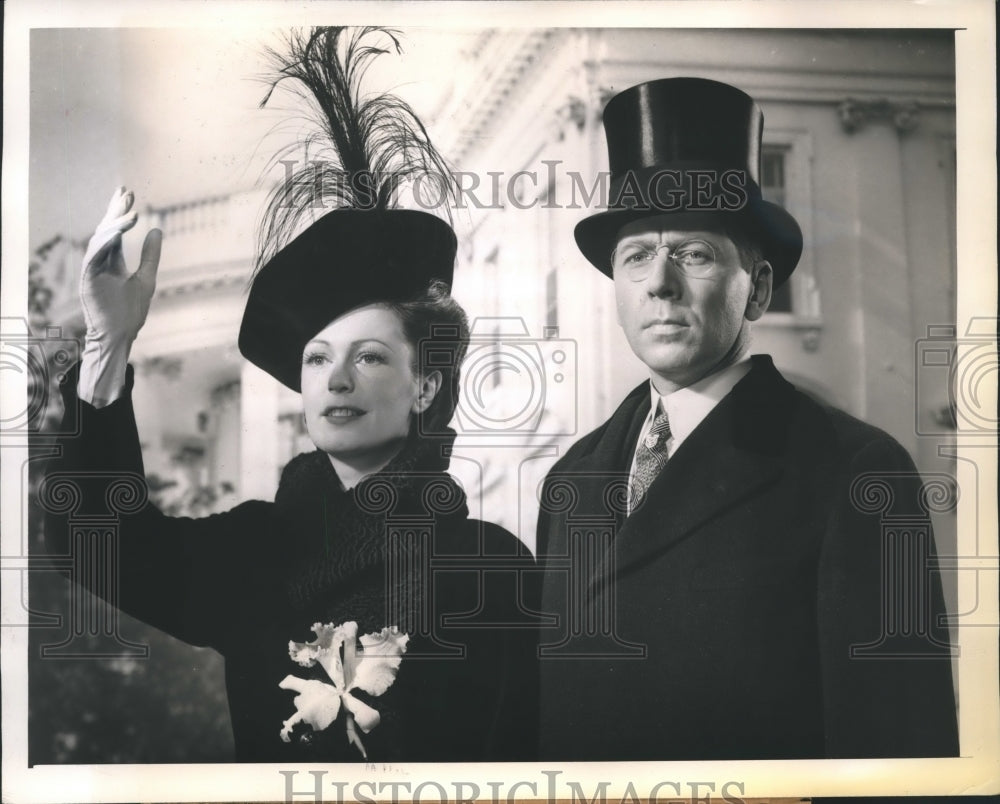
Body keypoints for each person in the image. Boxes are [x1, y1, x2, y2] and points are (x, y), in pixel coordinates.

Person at [41, 28, 536, 763]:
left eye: (369, 357)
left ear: (425, 384)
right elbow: (95, 543)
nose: (335, 381)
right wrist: (108, 345)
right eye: (315, 360)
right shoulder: (252, 552)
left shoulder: (490, 567)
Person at [535, 77, 958, 761]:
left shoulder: (854, 471)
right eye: (636, 255)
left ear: (758, 288)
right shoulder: (569, 480)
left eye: (694, 253)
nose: (660, 282)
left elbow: (900, 745)